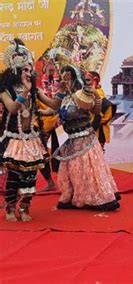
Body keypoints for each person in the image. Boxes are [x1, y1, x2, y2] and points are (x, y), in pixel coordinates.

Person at [36, 65, 120, 211]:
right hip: (71, 140)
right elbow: (52, 108)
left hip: (85, 138)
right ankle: (76, 196)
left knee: (87, 170)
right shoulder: (64, 96)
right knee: (73, 170)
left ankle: (92, 197)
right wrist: (37, 109)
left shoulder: (81, 94)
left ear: (75, 78)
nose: (65, 80)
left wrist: (96, 98)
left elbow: (95, 110)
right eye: (63, 77)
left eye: (68, 78)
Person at [0, 39, 48, 222]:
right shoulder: (5, 90)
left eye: (30, 70)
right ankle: (10, 208)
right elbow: (12, 108)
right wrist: (25, 92)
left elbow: (52, 104)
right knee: (14, 175)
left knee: (30, 176)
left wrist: (61, 93)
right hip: (13, 140)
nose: (29, 73)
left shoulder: (34, 90)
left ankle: (25, 207)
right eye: (25, 70)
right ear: (16, 71)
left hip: (31, 139)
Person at [85, 71, 115, 152]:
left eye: (88, 80)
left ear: (95, 81)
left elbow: (104, 110)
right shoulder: (89, 94)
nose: (84, 83)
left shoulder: (98, 94)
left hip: (97, 131)